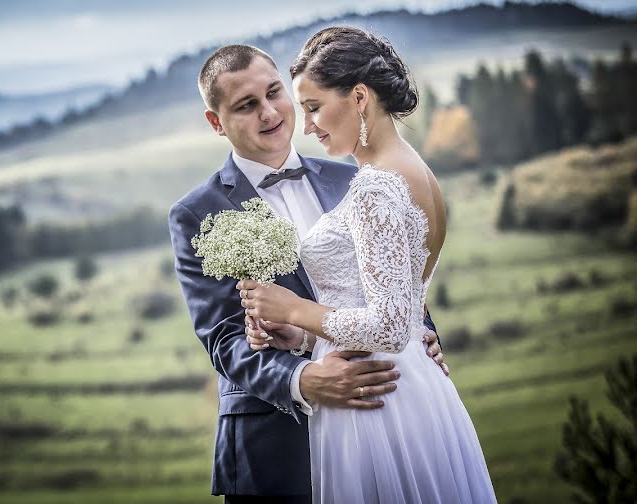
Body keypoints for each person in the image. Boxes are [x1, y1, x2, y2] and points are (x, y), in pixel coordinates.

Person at [168, 44, 447, 503]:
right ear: (216, 123)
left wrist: (422, 333)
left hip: (383, 418)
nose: (269, 112)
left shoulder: (353, 176)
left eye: (275, 93)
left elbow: (395, 275)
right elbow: (224, 339)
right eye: (246, 105)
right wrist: (303, 380)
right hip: (276, 446)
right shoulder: (196, 214)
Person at [237, 27, 496, 503]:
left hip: (377, 402)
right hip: (405, 384)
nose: (308, 126)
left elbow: (392, 324)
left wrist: (294, 310)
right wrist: (302, 338)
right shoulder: (410, 167)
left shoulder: (377, 187)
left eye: (314, 107)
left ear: (358, 97)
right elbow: (389, 302)